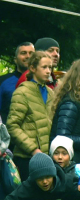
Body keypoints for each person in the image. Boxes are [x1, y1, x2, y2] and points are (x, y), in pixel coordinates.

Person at [6, 51, 54, 180]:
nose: (48, 71)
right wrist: (33, 150)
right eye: (44, 67)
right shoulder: (22, 92)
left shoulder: (51, 93)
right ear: (32, 68)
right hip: (26, 158)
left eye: (50, 67)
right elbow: (12, 126)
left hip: (47, 158)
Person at [0, 41, 34, 124]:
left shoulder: (43, 82)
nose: (28, 56)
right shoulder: (3, 81)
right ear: (15, 59)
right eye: (23, 53)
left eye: (31, 53)